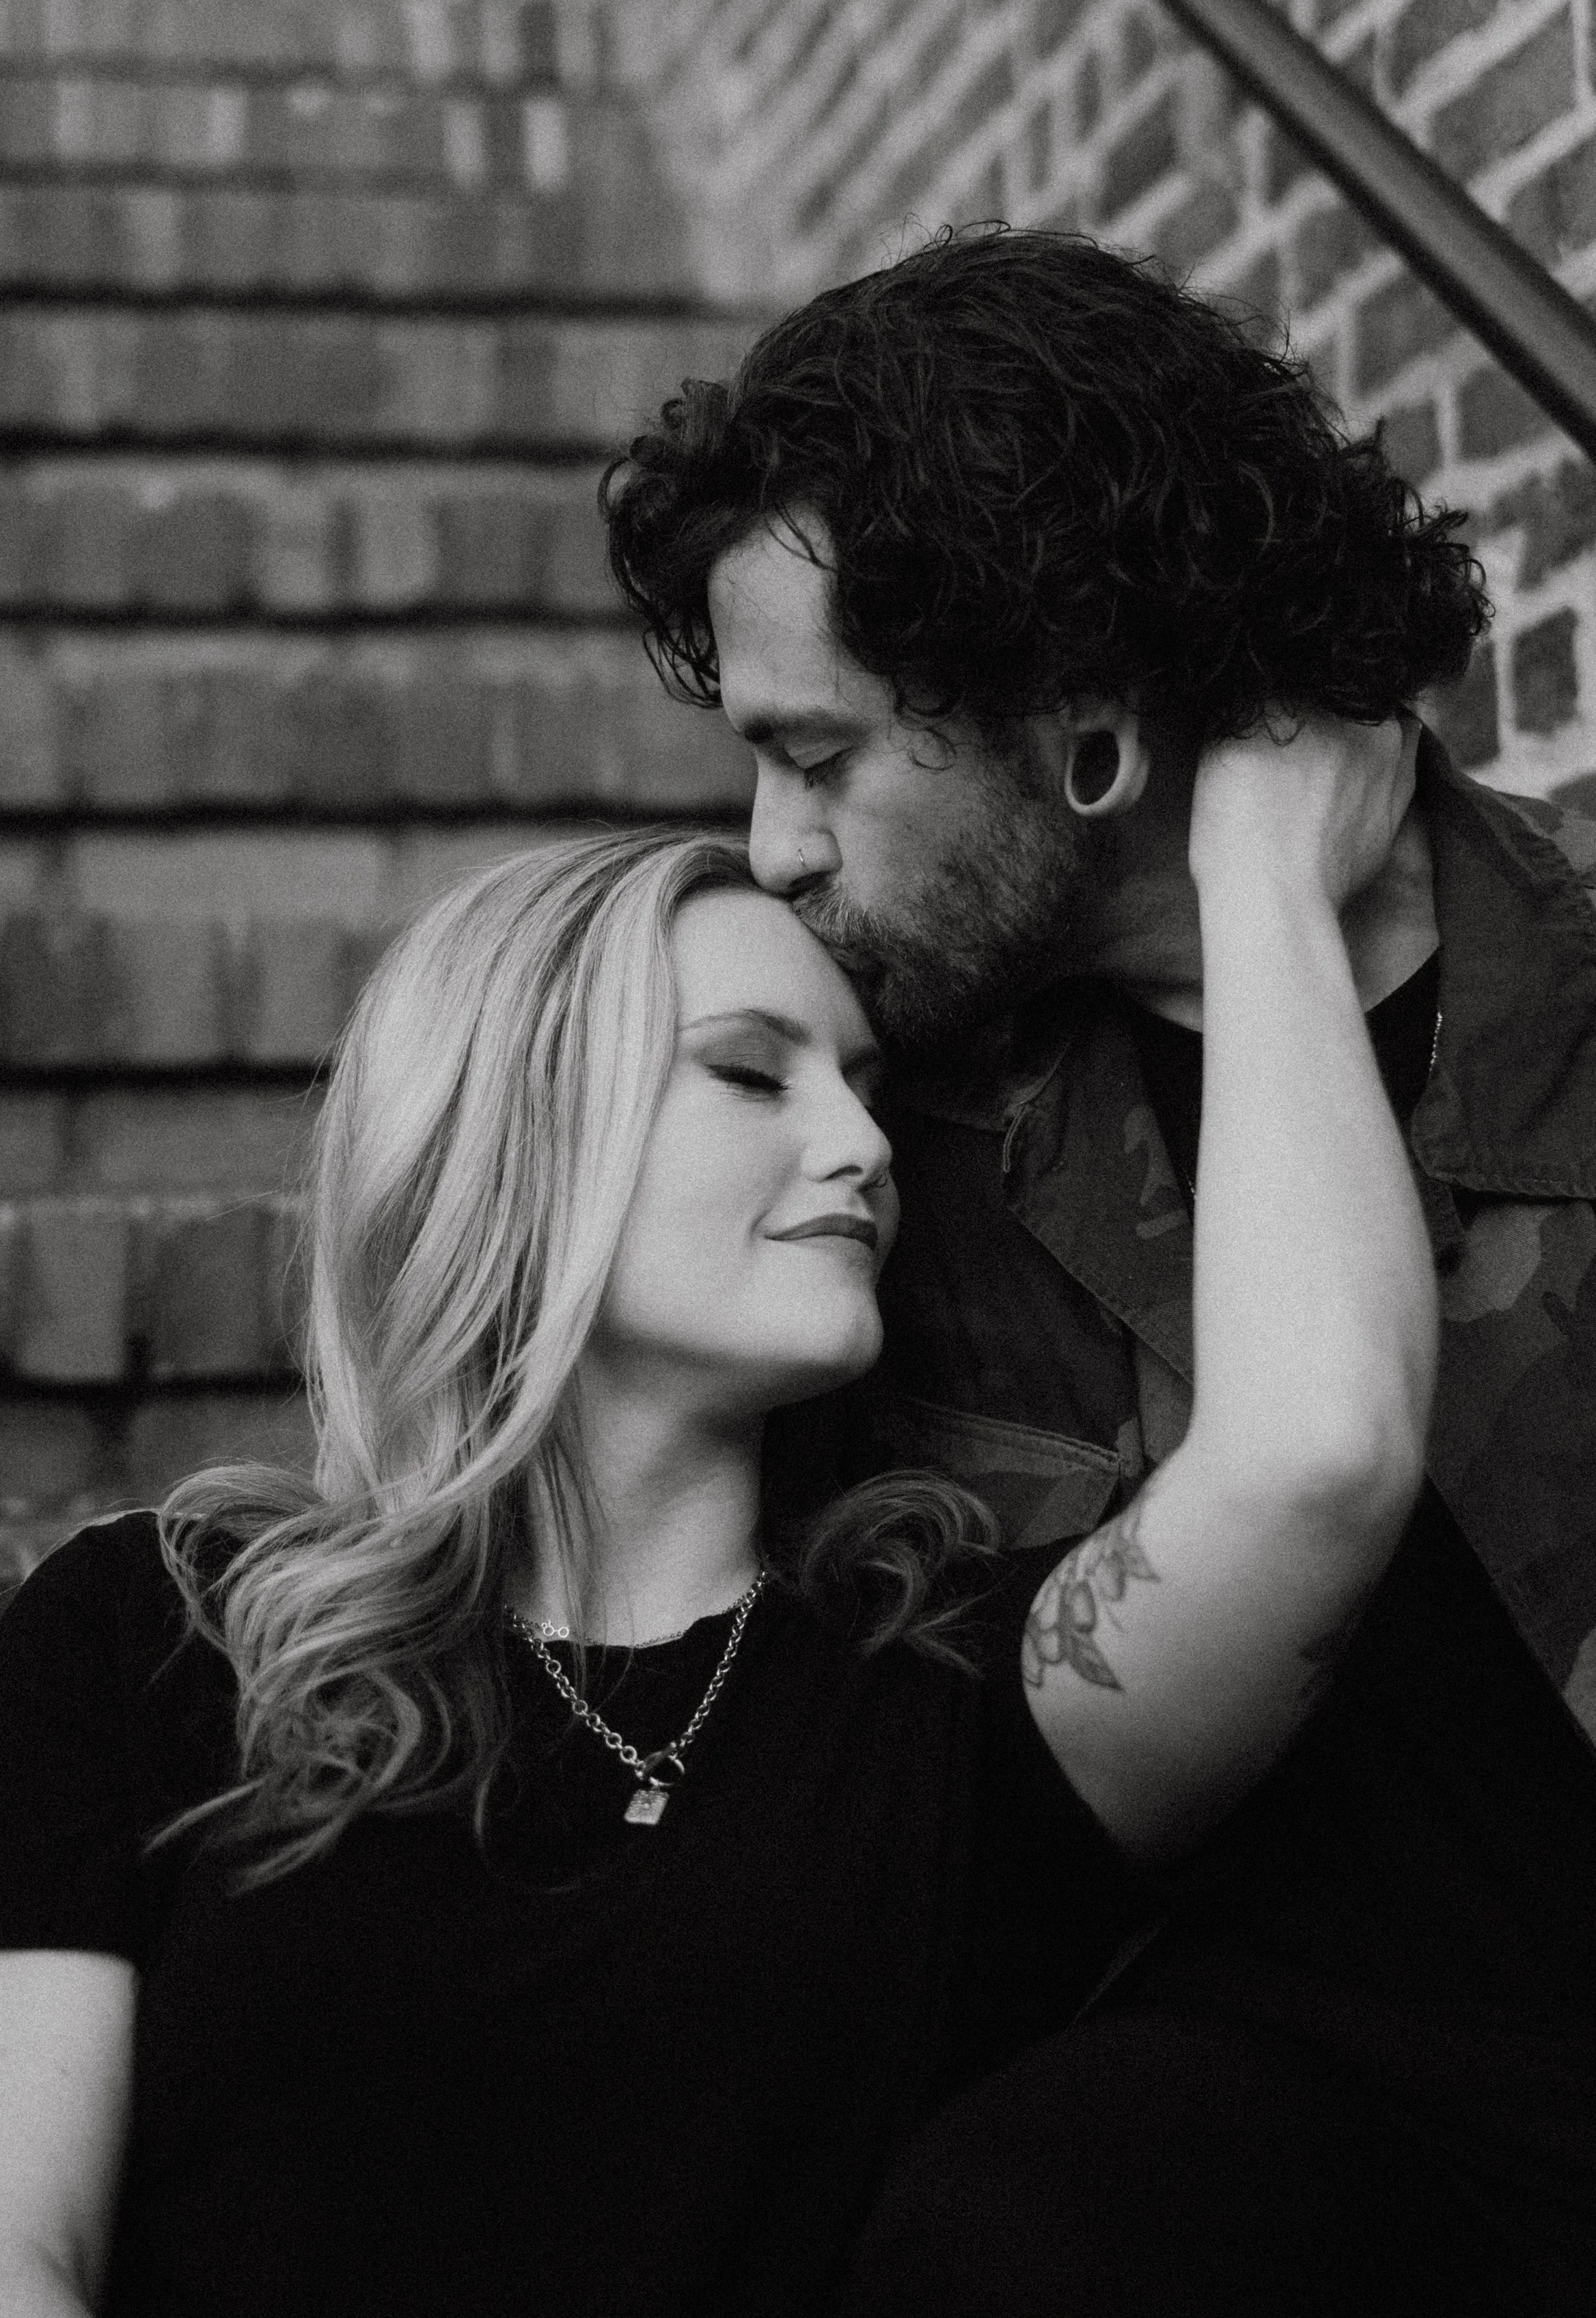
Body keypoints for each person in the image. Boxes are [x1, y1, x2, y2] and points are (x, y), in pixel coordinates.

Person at [604, 225, 1596, 2309]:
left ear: (1090, 734)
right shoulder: (874, 1165)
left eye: (819, 755)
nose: (771, 846)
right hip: (1275, 2173)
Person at [0, 762, 1433, 2318]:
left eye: (868, 1087)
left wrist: (1262, 869)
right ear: (514, 1134)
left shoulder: (951, 1694)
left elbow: (1316, 1461)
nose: (863, 1142)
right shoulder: (160, 1633)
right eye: (753, 1074)